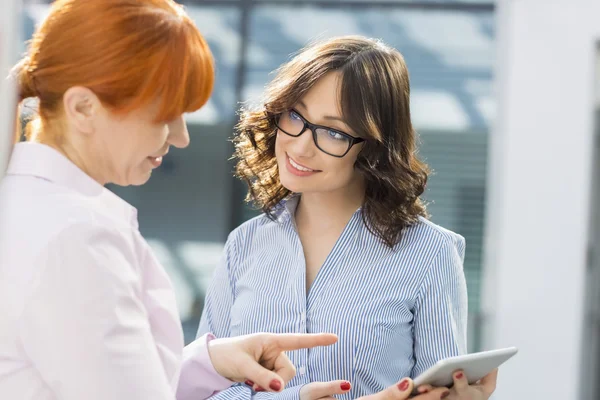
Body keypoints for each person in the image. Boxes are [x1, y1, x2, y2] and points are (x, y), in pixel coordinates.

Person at [0, 1, 343, 399]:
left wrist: (208, 362)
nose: (181, 137)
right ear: (83, 107)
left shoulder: (27, 206)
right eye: (165, 115)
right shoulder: (76, 238)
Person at [197, 36, 498, 400]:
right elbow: (201, 387)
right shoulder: (243, 246)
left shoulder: (429, 253)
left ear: (374, 147)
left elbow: (436, 389)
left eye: (333, 132)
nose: (301, 146)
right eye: (295, 115)